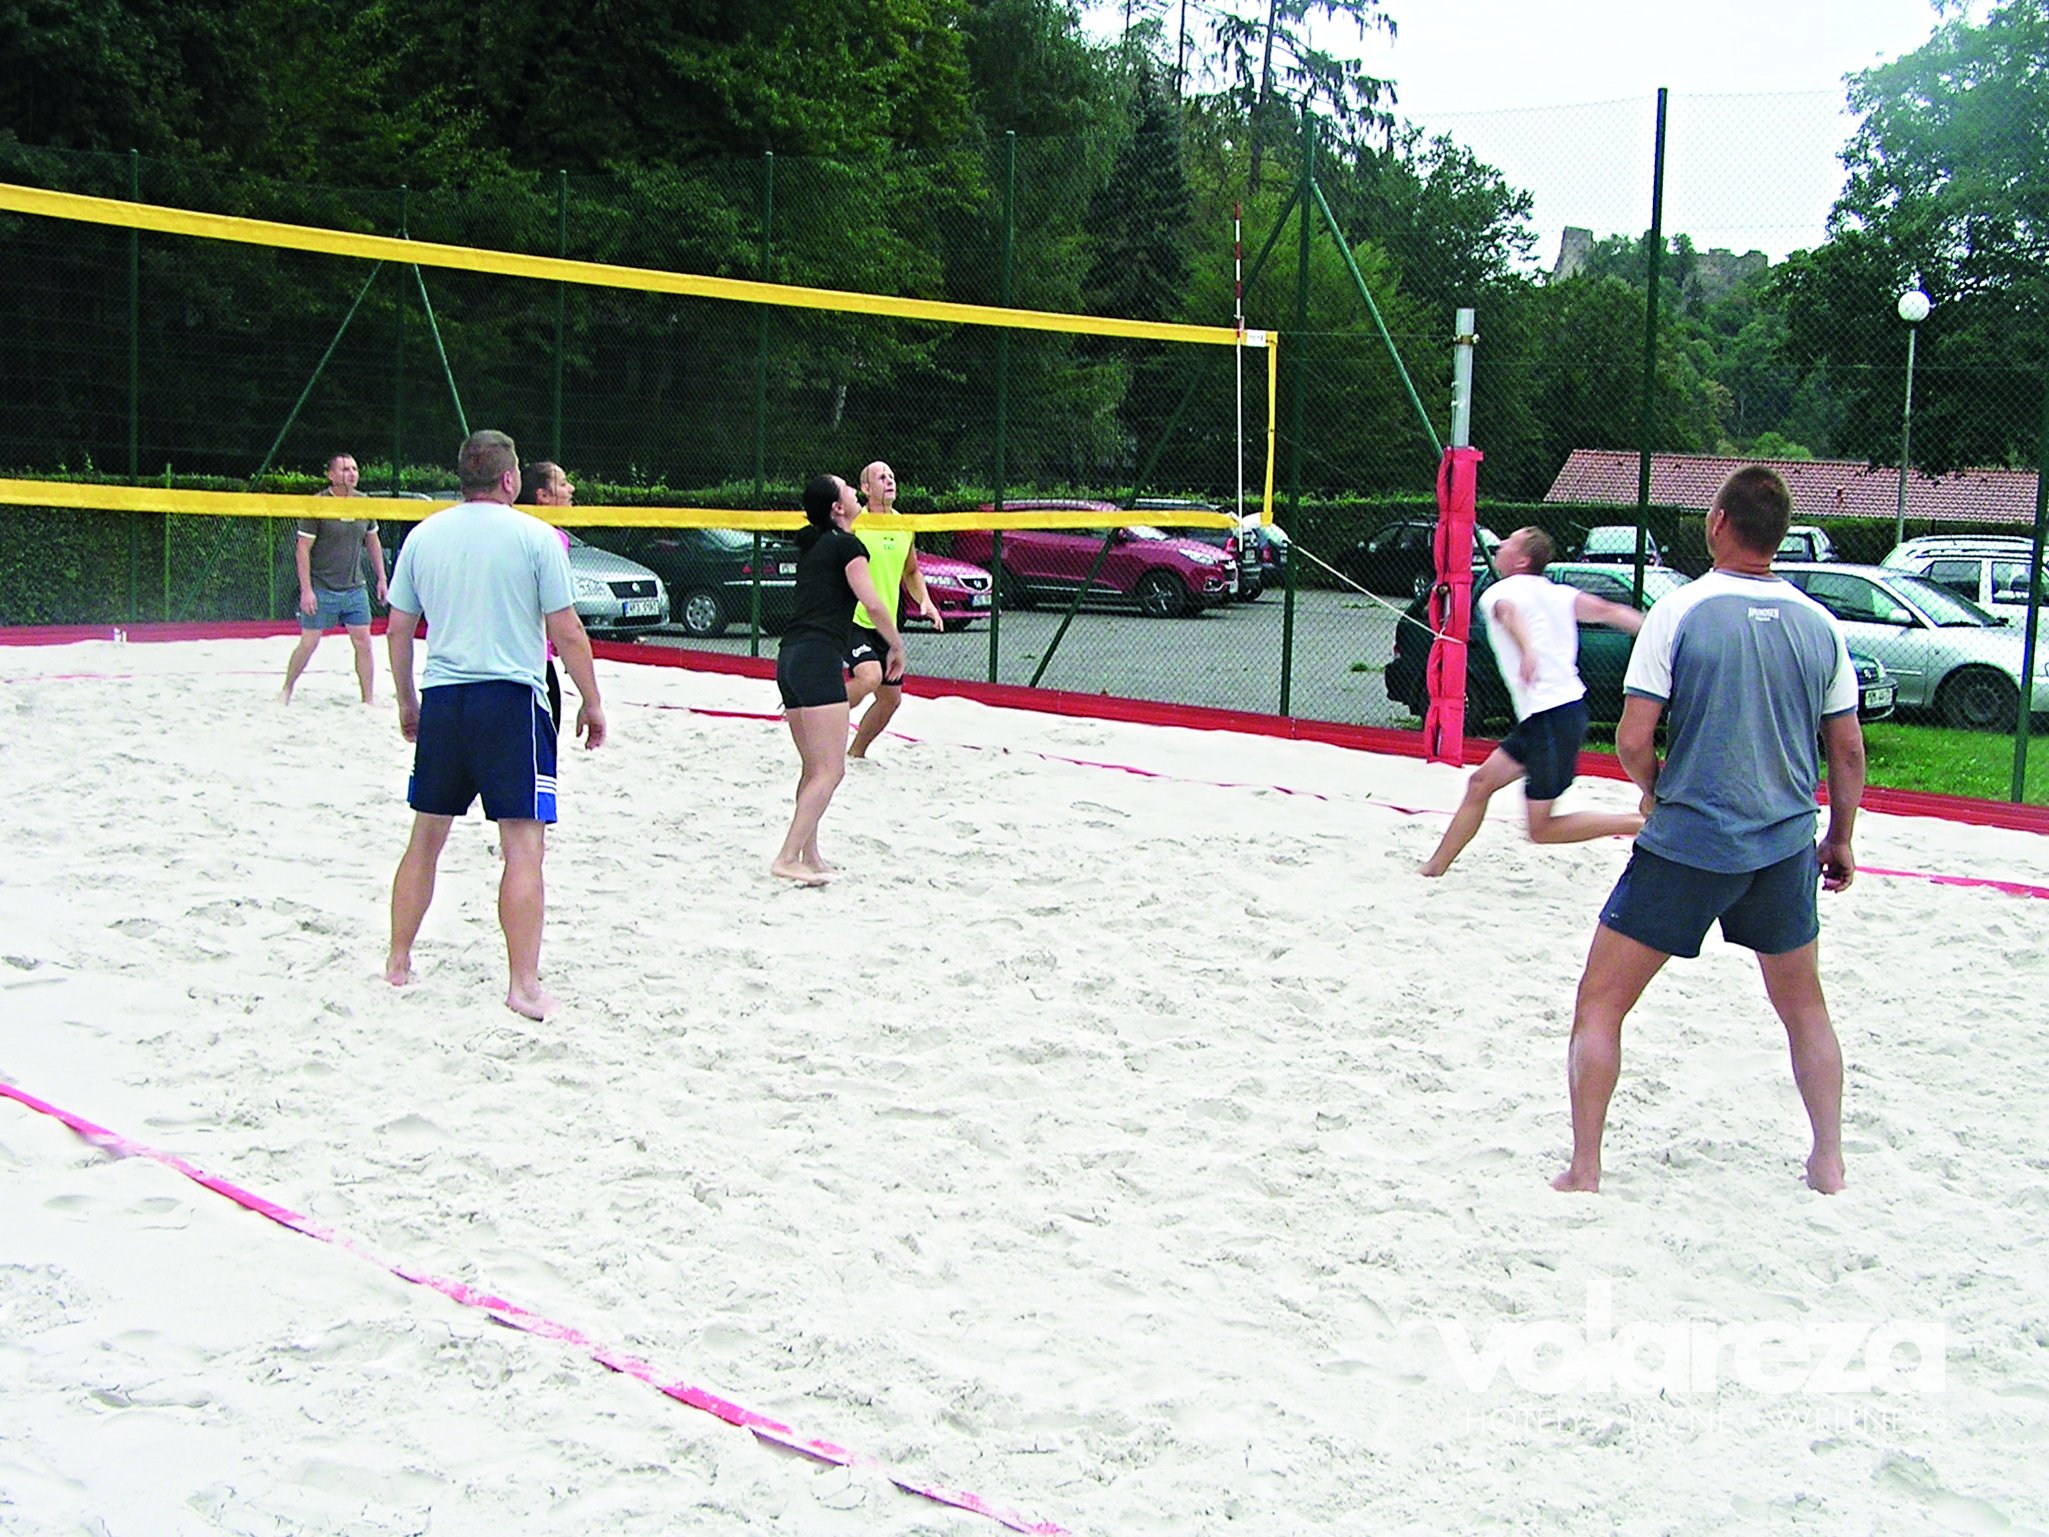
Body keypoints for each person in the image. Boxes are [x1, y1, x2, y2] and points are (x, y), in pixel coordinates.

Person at [1553, 467, 1865, 1195]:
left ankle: (1585, 1168)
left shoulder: (1680, 610)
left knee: (1600, 1003)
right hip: (1784, 841)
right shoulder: (1819, 623)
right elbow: (1847, 749)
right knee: (1804, 1009)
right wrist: (1840, 836)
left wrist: (1655, 790)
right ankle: (1828, 1161)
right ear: (1779, 533)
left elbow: (1633, 738)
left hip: (1691, 839)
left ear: (1719, 521)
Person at [383, 431, 607, 1020]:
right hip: (511, 699)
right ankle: (523, 985)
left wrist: (407, 701)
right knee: (524, 845)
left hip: (445, 697)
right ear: (510, 480)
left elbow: (399, 630)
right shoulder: (535, 537)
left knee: (426, 837)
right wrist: (592, 700)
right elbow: (567, 631)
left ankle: (398, 961)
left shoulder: (423, 536)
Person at [1418, 527, 1647, 877]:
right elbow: (1609, 611)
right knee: (1480, 784)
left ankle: (1642, 825)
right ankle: (1434, 868)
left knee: (1541, 829)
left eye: (1509, 542)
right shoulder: (1558, 593)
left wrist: (1527, 650)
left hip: (1553, 716)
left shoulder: (1500, 592)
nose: (1500, 545)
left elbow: (1511, 615)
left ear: (1522, 560)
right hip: (1550, 716)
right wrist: (1662, 634)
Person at [772, 473, 903, 884]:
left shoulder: (814, 545)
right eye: (847, 488)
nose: (853, 492)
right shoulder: (847, 545)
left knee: (813, 769)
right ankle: (787, 857)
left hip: (789, 659)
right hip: (816, 658)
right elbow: (874, 604)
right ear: (837, 507)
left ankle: (808, 854)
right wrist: (896, 645)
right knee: (831, 771)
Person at [844, 460, 941, 759]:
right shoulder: (855, 522)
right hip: (853, 619)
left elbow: (911, 571)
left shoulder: (903, 525)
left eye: (891, 476)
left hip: (885, 626)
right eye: (881, 477)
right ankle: (815, 708)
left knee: (890, 699)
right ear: (865, 488)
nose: (889, 481)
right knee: (869, 677)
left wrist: (925, 600)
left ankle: (855, 754)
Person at [279, 452, 387, 704]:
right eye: (345, 469)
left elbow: (373, 542)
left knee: (364, 642)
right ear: (330, 475)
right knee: (309, 642)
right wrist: (306, 590)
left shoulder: (364, 502)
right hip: (322, 586)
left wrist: (382, 578)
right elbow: (302, 549)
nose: (351, 474)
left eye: (354, 469)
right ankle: (287, 689)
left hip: (354, 587)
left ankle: (368, 700)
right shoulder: (318, 504)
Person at [516, 459, 577, 727]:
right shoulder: (551, 538)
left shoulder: (514, 529)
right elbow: (553, 606)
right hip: (534, 659)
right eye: (562, 484)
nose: (571, 489)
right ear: (542, 496)